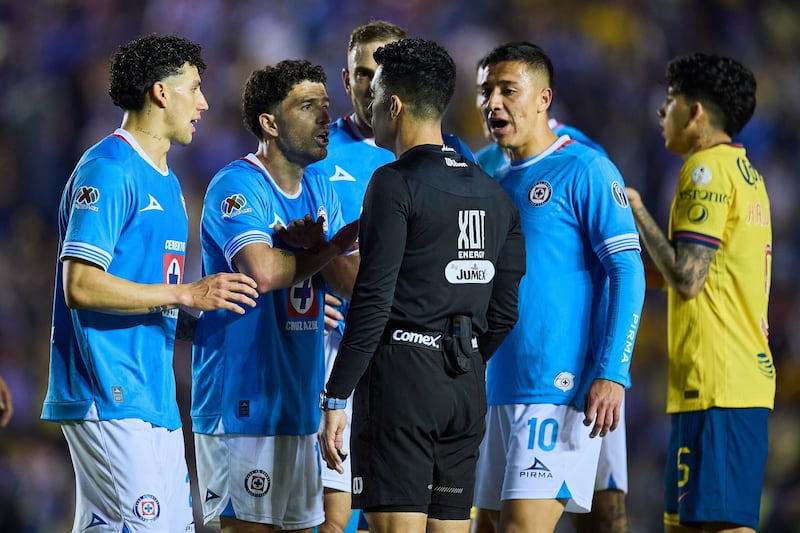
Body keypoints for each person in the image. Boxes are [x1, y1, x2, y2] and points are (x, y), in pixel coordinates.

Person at [39, 33, 260, 532]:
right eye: (195, 88)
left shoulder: (166, 181)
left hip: (153, 396)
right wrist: (185, 293)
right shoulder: (110, 169)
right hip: (107, 389)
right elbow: (80, 284)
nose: (204, 103)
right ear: (161, 92)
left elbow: (152, 297)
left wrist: (209, 321)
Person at [318, 37, 526, 533]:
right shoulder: (494, 193)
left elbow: (372, 301)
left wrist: (335, 397)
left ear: (394, 105)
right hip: (465, 387)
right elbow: (504, 313)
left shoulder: (393, 183)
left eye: (376, 99)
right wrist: (461, 354)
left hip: (401, 385)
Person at [470, 42, 645, 533]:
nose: (494, 103)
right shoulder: (486, 174)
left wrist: (613, 371)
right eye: (486, 91)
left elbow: (628, 271)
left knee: (523, 526)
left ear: (544, 98)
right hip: (492, 386)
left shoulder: (584, 168)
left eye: (509, 90)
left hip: (557, 387)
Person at [191, 59, 359, 532]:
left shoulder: (321, 186)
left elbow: (351, 281)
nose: (326, 118)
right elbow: (262, 271)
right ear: (269, 123)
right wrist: (322, 253)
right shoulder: (237, 184)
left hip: (297, 402)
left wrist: (321, 254)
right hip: (242, 402)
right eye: (308, 107)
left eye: (326, 107)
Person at [626, 53, 774, 533]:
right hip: (719, 385)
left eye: (670, 100)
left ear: (696, 113)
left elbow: (687, 279)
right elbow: (695, 272)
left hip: (719, 386)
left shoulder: (704, 171)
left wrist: (637, 212)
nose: (660, 111)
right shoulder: (746, 174)